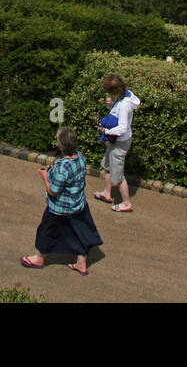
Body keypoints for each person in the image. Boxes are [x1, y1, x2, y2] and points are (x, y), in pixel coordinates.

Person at [20, 126, 103, 275]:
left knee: (46, 231)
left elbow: (53, 190)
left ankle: (39, 258)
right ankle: (81, 262)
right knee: (79, 233)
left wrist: (44, 176)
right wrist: (52, 170)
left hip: (59, 209)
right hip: (78, 205)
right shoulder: (81, 158)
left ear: (60, 146)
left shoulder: (62, 167)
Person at [93, 74, 140, 212]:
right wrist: (110, 106)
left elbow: (122, 128)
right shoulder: (125, 96)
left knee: (118, 176)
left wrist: (106, 131)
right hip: (115, 141)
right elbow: (116, 113)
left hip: (119, 142)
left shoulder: (125, 105)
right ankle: (107, 194)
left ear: (114, 91)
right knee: (107, 166)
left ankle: (126, 203)